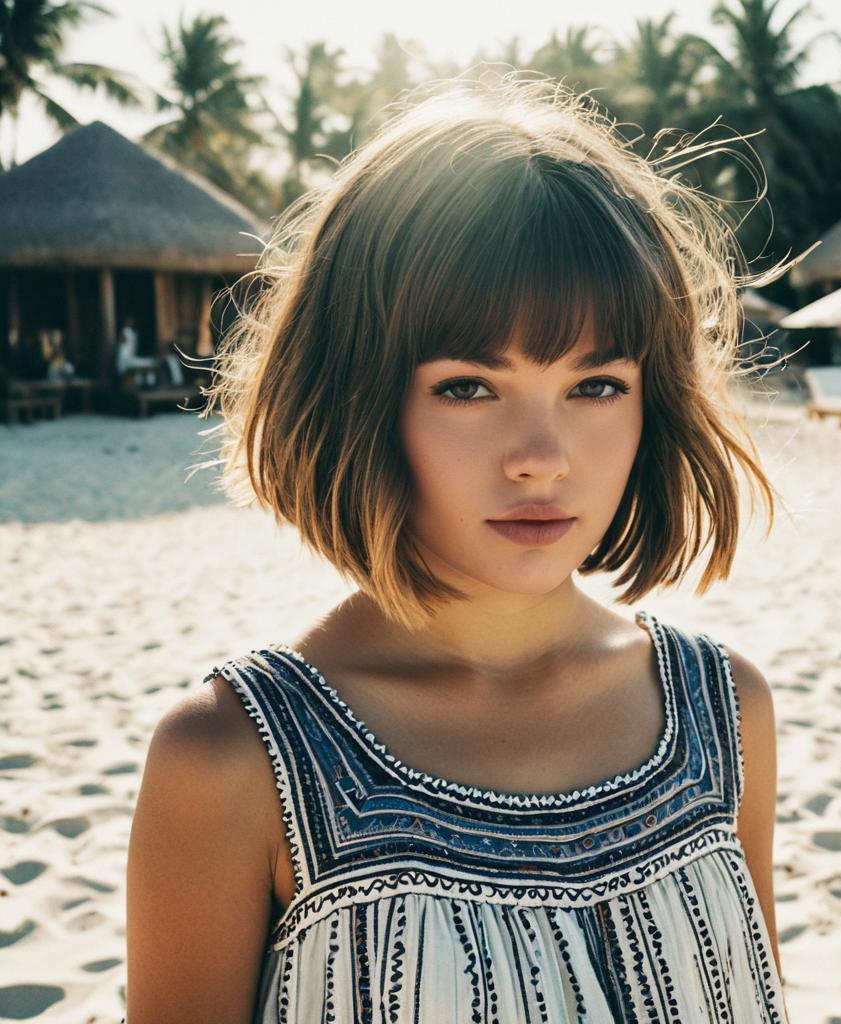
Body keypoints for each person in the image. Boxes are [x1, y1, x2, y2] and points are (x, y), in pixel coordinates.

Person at [124, 71, 795, 1023]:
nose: (540, 459)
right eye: (469, 386)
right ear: (360, 397)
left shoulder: (724, 715)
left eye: (597, 384)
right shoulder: (233, 760)